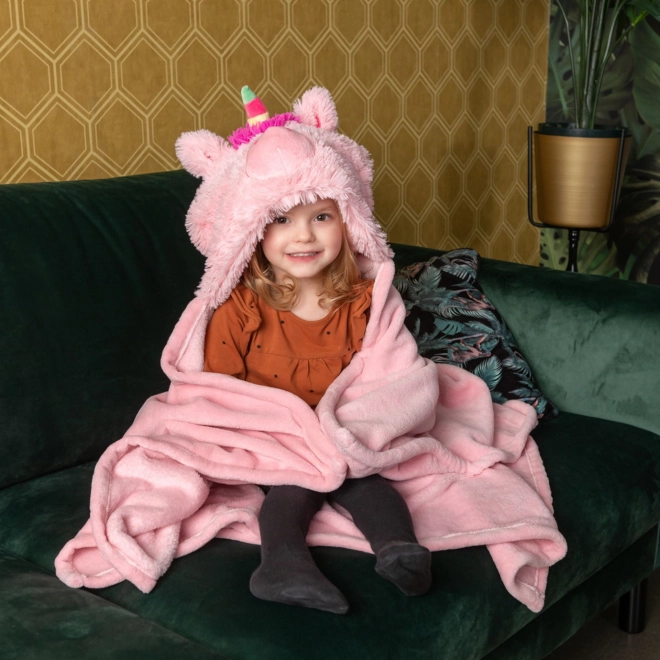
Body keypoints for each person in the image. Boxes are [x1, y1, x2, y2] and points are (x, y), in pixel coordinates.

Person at [201, 87, 432, 614]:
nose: (303, 236)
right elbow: (218, 392)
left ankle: (400, 550)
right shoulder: (242, 308)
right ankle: (281, 566)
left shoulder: (362, 300)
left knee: (367, 481)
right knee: (295, 487)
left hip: (344, 431)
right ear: (253, 231)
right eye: (282, 220)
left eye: (321, 217)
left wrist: (350, 432)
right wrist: (284, 437)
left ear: (348, 219)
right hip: (276, 438)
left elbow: (388, 374)